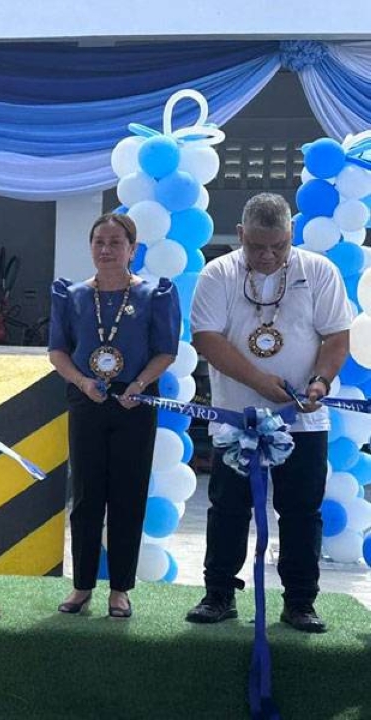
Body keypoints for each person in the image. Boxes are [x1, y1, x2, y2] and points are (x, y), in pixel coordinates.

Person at [186, 192, 351, 633]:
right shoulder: (217, 273)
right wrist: (261, 383)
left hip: (303, 421)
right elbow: (207, 340)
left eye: (278, 246)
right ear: (240, 234)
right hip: (236, 418)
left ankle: (300, 601)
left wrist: (320, 382)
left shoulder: (319, 271)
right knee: (227, 508)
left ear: (291, 234)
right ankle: (219, 594)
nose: (267, 255)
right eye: (257, 246)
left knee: (301, 512)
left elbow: (336, 337)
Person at [47, 212, 180, 619]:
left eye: (115, 243)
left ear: (132, 249)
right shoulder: (72, 296)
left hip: (135, 401)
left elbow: (166, 350)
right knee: (86, 495)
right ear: (90, 247)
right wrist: (82, 382)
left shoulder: (153, 294)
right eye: (99, 242)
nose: (106, 250)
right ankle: (82, 584)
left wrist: (139, 384)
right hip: (88, 398)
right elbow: (58, 352)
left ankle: (120, 588)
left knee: (128, 493)